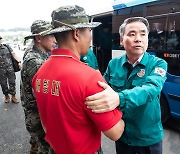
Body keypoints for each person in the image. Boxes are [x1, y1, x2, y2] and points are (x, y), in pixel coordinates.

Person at [32, 5, 124, 154]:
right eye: (89, 31)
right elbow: (115, 132)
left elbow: (45, 121)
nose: (91, 36)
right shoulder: (89, 77)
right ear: (76, 33)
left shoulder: (40, 72)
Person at [85, 17, 168, 154]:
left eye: (143, 34)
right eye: (132, 34)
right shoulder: (114, 64)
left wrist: (119, 98)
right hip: (123, 136)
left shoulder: (158, 64)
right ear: (121, 41)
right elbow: (103, 89)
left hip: (147, 139)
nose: (138, 39)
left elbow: (151, 88)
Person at [20, 20, 57, 154]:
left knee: (39, 146)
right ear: (39, 38)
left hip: (37, 116)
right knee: (45, 148)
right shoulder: (36, 62)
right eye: (51, 36)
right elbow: (43, 96)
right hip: (39, 118)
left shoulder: (37, 55)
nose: (55, 40)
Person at [0, 36, 21, 104]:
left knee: (12, 82)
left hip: (10, 68)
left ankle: (13, 96)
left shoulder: (7, 47)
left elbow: (13, 54)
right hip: (1, 70)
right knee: (3, 84)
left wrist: (19, 62)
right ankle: (6, 96)